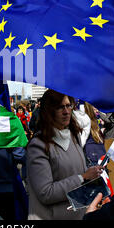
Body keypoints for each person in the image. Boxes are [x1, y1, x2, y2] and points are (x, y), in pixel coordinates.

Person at [26, 89, 104, 220]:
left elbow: (78, 172)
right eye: (60, 107)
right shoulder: (38, 145)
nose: (66, 111)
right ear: (49, 111)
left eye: (68, 106)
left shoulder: (74, 137)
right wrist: (83, 177)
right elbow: (46, 193)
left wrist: (93, 178)